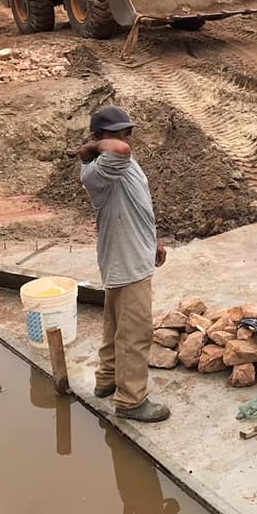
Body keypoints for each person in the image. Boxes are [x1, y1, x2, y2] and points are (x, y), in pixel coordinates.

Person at [78, 105, 170, 423]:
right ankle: (131, 401)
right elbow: (119, 148)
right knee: (136, 333)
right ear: (97, 137)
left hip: (131, 254)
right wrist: (92, 147)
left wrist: (153, 241)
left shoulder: (119, 163)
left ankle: (106, 381)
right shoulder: (100, 169)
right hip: (127, 261)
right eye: (115, 131)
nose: (124, 138)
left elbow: (137, 203)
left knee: (115, 326)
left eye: (127, 130)